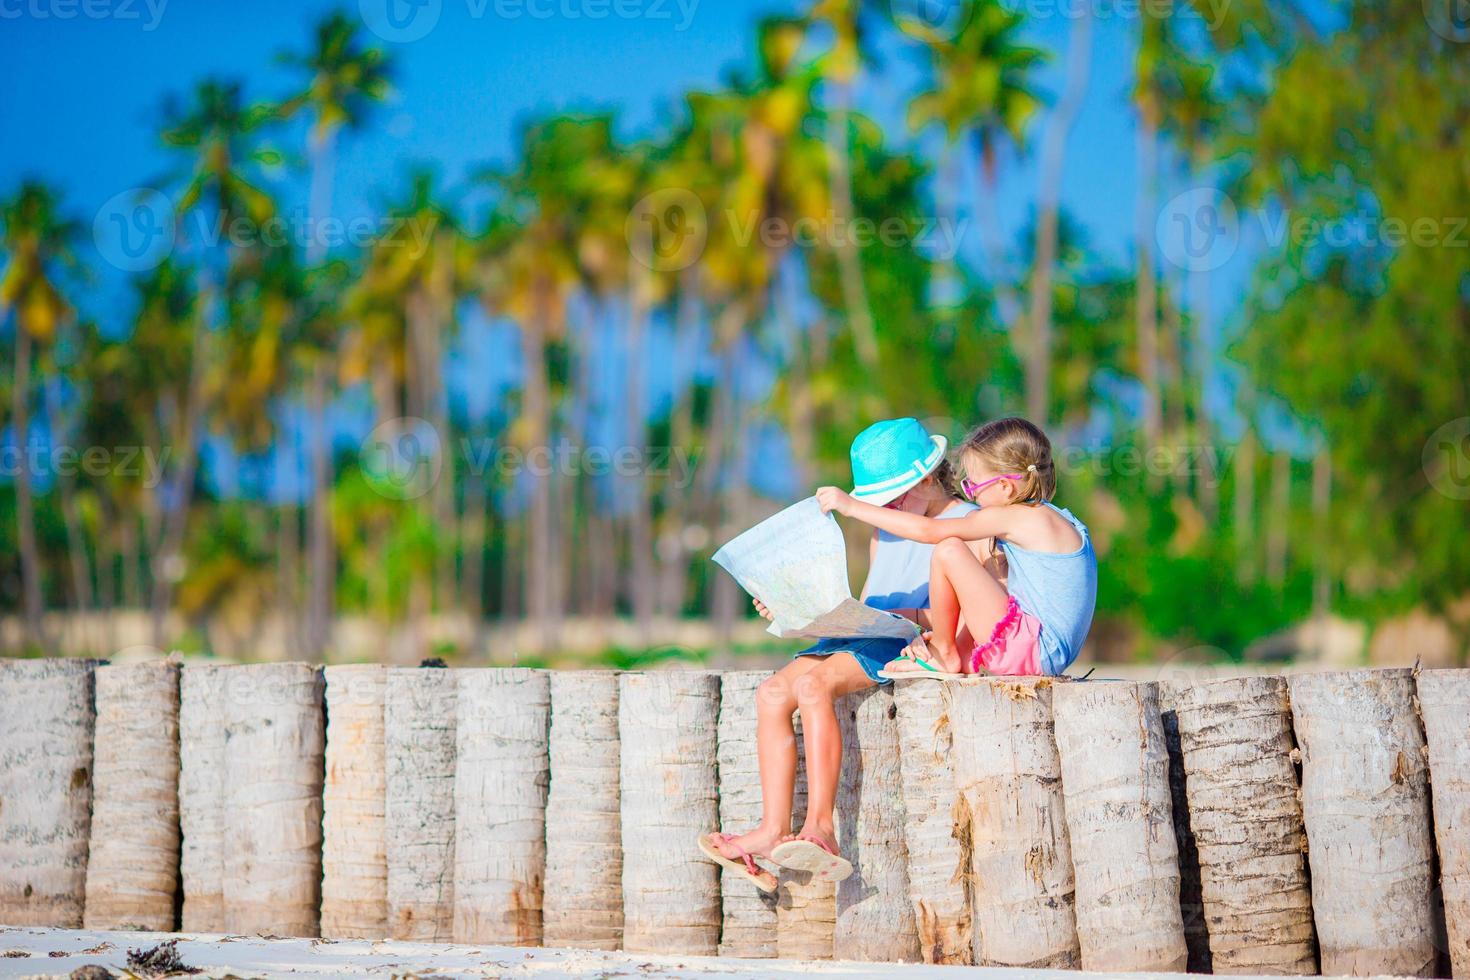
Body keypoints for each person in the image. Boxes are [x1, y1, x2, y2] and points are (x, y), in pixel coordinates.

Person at [698, 418, 995, 890]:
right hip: (863, 633)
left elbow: (969, 621)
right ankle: (772, 828)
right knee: (772, 694)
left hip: (902, 640)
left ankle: (821, 828)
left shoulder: (972, 523)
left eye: (895, 496)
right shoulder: (886, 531)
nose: (889, 507)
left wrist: (910, 616)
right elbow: (872, 599)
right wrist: (795, 609)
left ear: (926, 476)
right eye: (883, 501)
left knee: (815, 686)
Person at [816, 416, 1096, 679]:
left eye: (974, 486)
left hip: (1035, 650)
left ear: (1005, 487)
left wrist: (853, 507)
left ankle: (944, 652)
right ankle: (955, 651)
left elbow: (928, 532)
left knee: (949, 549)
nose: (971, 493)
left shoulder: (1016, 516)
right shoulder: (1055, 518)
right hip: (1043, 650)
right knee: (967, 548)